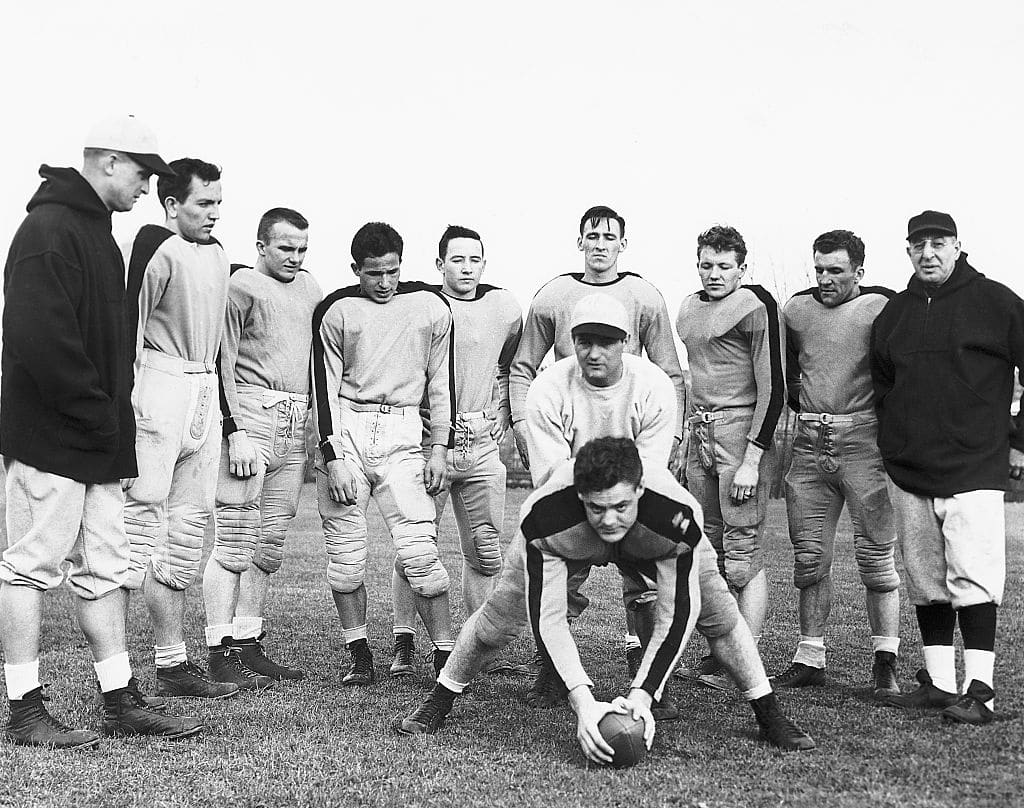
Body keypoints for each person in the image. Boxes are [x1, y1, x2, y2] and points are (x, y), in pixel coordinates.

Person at [394, 438, 814, 760]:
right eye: (597, 507)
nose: (609, 519)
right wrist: (583, 702)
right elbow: (549, 620)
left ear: (641, 488)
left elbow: (676, 615)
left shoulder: (676, 515)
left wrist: (642, 694)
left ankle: (768, 712)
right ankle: (440, 699)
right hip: (569, 542)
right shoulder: (546, 515)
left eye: (620, 505)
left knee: (721, 617)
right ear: (580, 496)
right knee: (494, 621)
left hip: (652, 542)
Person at [1, 115, 201, 747]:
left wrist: (113, 427)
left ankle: (120, 699)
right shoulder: (48, 229)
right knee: (30, 568)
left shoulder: (97, 234)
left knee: (107, 571)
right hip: (51, 436)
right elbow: (41, 341)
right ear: (109, 161)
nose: (147, 188)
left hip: (97, 439)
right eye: (142, 174)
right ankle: (24, 707)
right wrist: (95, 414)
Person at [509, 204, 688, 677]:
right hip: (570, 458)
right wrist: (523, 429)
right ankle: (552, 667)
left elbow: (670, 370)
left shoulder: (644, 296)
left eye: (610, 236)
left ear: (622, 243)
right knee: (557, 567)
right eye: (593, 235)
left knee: (649, 573)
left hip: (635, 457)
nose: (601, 243)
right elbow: (524, 367)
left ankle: (652, 669)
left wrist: (673, 439)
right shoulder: (554, 296)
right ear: (580, 241)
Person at [871, 210, 1024, 725]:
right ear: (907, 250)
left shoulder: (997, 302)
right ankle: (938, 683)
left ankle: (981, 691)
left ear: (958, 245)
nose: (928, 253)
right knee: (924, 577)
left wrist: (1018, 443)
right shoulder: (895, 314)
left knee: (974, 576)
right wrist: (893, 446)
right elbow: (883, 386)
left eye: (939, 243)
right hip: (909, 466)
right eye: (918, 244)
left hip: (975, 464)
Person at [121, 157, 255, 697]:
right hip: (158, 385)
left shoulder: (219, 254)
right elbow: (129, 327)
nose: (215, 214)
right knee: (134, 536)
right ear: (173, 204)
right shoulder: (155, 245)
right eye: (204, 203)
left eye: (219, 203)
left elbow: (223, 347)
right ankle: (116, 674)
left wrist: (229, 417)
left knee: (185, 536)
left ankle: (172, 663)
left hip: (202, 392)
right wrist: (124, 406)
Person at [311, 221, 456, 686]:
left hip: (404, 428)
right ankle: (358, 651)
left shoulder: (430, 308)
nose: (385, 282)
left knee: (420, 554)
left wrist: (439, 447)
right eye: (374, 273)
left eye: (392, 271)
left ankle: (443, 654)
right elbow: (324, 388)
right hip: (349, 427)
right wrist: (332, 453)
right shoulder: (337, 309)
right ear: (357, 269)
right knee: (346, 556)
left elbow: (440, 382)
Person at [522, 293, 677, 714]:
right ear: (570, 341)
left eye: (606, 342)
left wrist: (618, 512)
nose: (594, 353)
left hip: (634, 501)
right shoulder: (549, 387)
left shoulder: (654, 386)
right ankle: (552, 671)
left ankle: (651, 678)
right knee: (552, 584)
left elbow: (650, 473)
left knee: (650, 585)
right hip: (571, 500)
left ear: (626, 341)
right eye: (584, 341)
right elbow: (552, 478)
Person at [389, 225, 522, 677]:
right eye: (457, 259)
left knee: (485, 549)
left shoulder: (504, 307)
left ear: (484, 263)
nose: (466, 268)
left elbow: (509, 364)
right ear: (439, 263)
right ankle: (403, 639)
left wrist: (502, 404)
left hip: (480, 441)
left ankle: (477, 644)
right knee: (415, 545)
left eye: (475, 259)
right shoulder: (421, 304)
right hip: (428, 442)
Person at [776, 230, 901, 695]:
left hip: (862, 439)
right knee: (809, 558)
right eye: (819, 270)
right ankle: (810, 657)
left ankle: (885, 659)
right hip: (809, 440)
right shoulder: (797, 309)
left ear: (859, 273)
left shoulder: (880, 307)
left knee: (875, 556)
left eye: (836, 271)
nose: (825, 279)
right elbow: (785, 369)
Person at [201, 208, 323, 683]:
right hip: (251, 416)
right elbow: (221, 361)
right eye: (285, 248)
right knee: (233, 537)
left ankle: (248, 639)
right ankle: (218, 647)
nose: (294, 258)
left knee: (269, 541)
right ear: (261, 247)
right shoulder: (241, 287)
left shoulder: (311, 287)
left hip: (294, 421)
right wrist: (234, 429)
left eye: (302, 249)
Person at [675, 225, 785, 689]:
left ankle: (746, 658)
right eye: (706, 264)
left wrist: (753, 459)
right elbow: (692, 378)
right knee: (711, 549)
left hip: (741, 432)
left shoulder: (753, 307)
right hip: (701, 431)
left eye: (724, 266)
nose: (714, 273)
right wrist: (683, 440)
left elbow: (773, 387)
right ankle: (720, 652)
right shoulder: (688, 307)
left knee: (742, 553)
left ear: (742, 268)